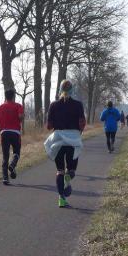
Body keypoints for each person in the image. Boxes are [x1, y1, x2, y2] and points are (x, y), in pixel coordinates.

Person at [45, 79, 86, 208]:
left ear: (60, 90)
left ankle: (61, 199)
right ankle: (68, 176)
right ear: (72, 90)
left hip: (58, 140)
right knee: (71, 169)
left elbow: (49, 126)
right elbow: (82, 123)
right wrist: (78, 132)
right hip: (73, 139)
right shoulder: (78, 105)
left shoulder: (53, 105)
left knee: (59, 170)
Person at [0, 88, 24, 185]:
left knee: (5, 156)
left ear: (5, 97)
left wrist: (3, 119)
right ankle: (13, 164)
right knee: (16, 152)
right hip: (15, 133)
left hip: (4, 133)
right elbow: (20, 117)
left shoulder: (0, 107)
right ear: (14, 96)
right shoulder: (18, 106)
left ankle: (5, 178)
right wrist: (19, 118)